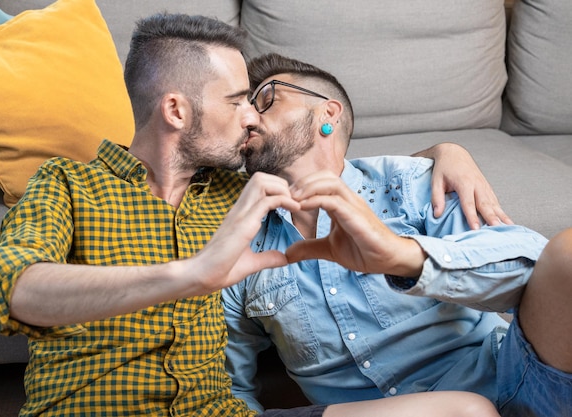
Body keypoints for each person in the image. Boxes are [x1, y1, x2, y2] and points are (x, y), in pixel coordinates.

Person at [0, 13, 503, 417]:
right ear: (177, 111)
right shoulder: (68, 184)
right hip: (94, 408)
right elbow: (6, 288)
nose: (252, 119)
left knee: (465, 410)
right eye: (237, 102)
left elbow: (335, 169)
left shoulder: (242, 190)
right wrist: (188, 276)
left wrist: (444, 151)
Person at [222, 52, 572, 417]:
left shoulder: (405, 183)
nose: (248, 117)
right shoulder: (244, 244)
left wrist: (402, 257)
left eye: (265, 100)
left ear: (328, 113)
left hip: (512, 383)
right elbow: (230, 387)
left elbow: (533, 268)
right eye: (242, 109)